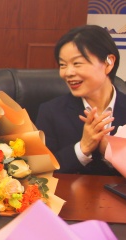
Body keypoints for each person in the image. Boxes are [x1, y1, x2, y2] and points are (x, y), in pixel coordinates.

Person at [36, 24, 126, 175]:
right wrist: (82, 148)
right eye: (63, 65)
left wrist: (109, 150)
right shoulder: (50, 112)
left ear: (108, 62)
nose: (68, 73)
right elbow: (42, 172)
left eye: (77, 63)